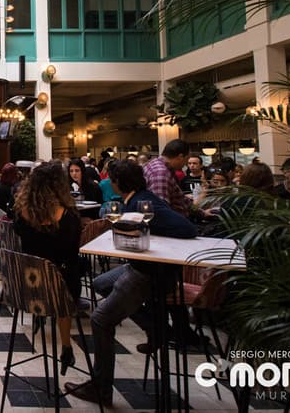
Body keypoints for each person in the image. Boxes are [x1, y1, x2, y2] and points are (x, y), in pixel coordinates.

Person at [65, 159, 197, 406]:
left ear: (118, 183)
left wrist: (154, 238)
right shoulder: (134, 200)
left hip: (149, 273)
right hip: (136, 265)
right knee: (101, 283)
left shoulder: (141, 204)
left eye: (112, 179)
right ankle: (156, 327)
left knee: (100, 319)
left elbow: (187, 228)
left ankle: (100, 388)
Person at [13, 161, 82, 374]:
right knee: (70, 271)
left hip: (27, 286)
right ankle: (66, 345)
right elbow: (71, 253)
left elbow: (20, 239)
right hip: (59, 289)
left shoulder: (22, 213)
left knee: (55, 271)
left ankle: (39, 315)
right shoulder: (69, 217)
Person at [143, 139, 191, 216]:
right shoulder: (161, 173)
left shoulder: (156, 164)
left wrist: (201, 212)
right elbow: (160, 210)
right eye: (186, 160)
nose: (185, 164)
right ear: (180, 157)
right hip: (173, 224)